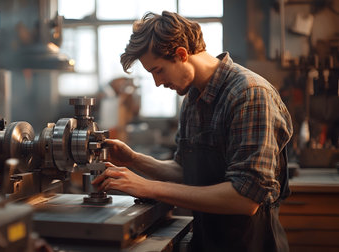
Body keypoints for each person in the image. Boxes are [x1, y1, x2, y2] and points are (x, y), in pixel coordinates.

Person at [92, 11, 293, 252]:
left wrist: (147, 186)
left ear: (181, 54)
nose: (157, 82)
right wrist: (133, 159)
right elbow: (185, 170)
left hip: (251, 244)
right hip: (208, 240)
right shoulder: (193, 98)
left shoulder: (249, 94)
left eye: (158, 70)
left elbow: (245, 199)